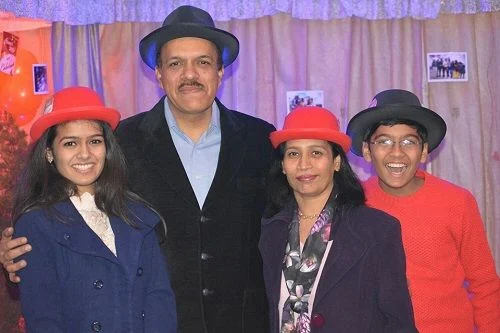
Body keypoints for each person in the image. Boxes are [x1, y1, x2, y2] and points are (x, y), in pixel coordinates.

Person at [0, 5, 275, 332]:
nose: (189, 75)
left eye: (202, 62)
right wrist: (15, 251)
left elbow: (291, 221)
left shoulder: (261, 141)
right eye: (175, 63)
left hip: (243, 323)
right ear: (158, 73)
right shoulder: (121, 142)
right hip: (153, 321)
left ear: (220, 71)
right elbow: (70, 211)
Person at [10, 86, 177, 332]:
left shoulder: (137, 215)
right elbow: (44, 319)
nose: (85, 154)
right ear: (49, 153)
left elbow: (160, 301)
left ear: (107, 148)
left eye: (95, 141)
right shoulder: (36, 224)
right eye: (70, 143)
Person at [346, 89, 500, 332]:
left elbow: (484, 285)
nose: (397, 152)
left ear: (424, 150)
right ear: (367, 150)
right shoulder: (353, 205)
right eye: (384, 141)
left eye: (409, 141)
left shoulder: (457, 202)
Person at [260, 106, 417, 332]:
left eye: (316, 153)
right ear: (283, 166)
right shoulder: (270, 229)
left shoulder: (377, 230)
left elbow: (398, 322)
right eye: (293, 153)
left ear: (336, 162)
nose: (304, 164)